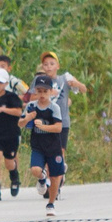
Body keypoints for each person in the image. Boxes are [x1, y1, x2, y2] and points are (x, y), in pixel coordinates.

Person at [28, 51, 85, 196]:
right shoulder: (39, 81)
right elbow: (29, 98)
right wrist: (45, 94)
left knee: (59, 153)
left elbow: (83, 89)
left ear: (58, 66)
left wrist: (76, 83)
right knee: (47, 153)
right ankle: (47, 181)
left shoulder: (65, 78)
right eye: (45, 64)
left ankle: (55, 185)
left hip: (61, 122)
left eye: (52, 64)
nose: (48, 67)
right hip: (42, 122)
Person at [24, 74, 69, 211]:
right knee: (35, 170)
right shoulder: (31, 106)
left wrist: (43, 127)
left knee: (55, 177)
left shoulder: (54, 108)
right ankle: (42, 178)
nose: (42, 94)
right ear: (35, 91)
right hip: (38, 146)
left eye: (45, 91)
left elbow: (58, 127)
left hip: (53, 146)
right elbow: (20, 123)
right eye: (39, 91)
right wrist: (28, 118)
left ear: (51, 92)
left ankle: (51, 203)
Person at [0, 58, 25, 201]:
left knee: (9, 162)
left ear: (6, 83)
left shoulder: (12, 97)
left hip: (11, 133)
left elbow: (19, 112)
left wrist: (2, 109)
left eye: (0, 82)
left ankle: (14, 177)